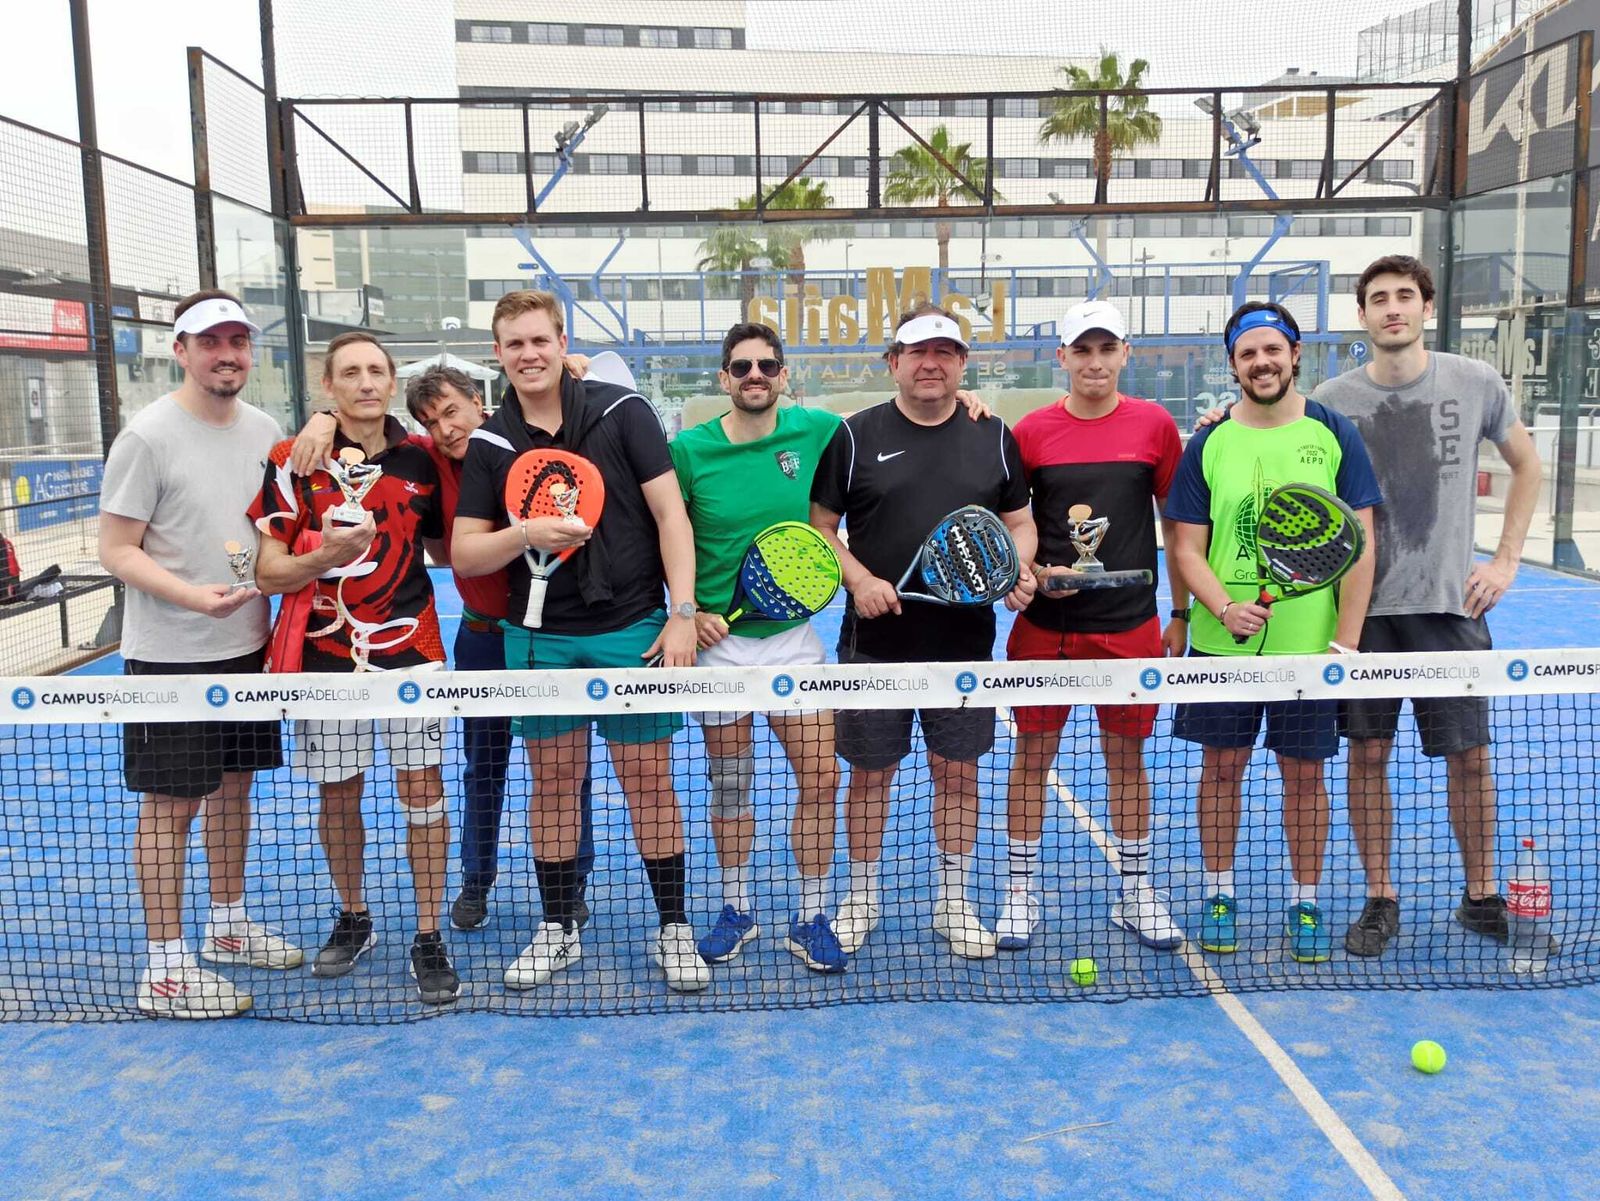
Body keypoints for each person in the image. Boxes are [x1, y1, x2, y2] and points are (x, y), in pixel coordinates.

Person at [453, 290, 706, 992]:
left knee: (648, 782)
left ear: (563, 342)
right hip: (539, 639)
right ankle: (559, 925)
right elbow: (468, 553)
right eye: (514, 344)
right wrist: (525, 535)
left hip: (632, 628)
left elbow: (670, 516)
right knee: (554, 783)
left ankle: (673, 926)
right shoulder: (492, 442)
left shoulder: (624, 413)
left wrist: (681, 611)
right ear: (498, 354)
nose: (529, 355)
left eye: (540, 340)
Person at [290, 366, 598, 936]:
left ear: (477, 402)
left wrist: (569, 365)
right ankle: (476, 882)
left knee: (563, 769)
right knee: (484, 767)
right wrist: (324, 416)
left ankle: (570, 883)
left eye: (452, 411)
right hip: (480, 637)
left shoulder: (522, 448)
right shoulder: (425, 460)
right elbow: (370, 428)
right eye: (432, 420)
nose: (445, 428)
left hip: (547, 637)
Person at [1314, 256, 1543, 957]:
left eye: (1404, 297)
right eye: (1377, 298)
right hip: (1363, 616)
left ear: (1426, 307)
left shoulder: (1474, 382)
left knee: (1470, 759)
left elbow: (1527, 464)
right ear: (1363, 315)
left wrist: (1504, 561)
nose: (1392, 309)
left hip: (1451, 612)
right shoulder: (1330, 399)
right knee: (1367, 757)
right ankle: (1381, 896)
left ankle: (1479, 896)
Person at [810, 303, 1037, 960]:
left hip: (964, 647)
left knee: (958, 775)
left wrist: (1015, 563)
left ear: (962, 364)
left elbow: (1019, 522)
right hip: (873, 647)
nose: (931, 363)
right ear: (894, 362)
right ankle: (860, 896)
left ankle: (953, 898)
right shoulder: (853, 436)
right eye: (917, 352)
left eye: (945, 352)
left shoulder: (993, 435)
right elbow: (821, 526)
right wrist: (857, 579)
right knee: (869, 777)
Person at [99, 289, 302, 1018]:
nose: (227, 354)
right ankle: (164, 968)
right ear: (179, 350)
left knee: (235, 789)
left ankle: (226, 923)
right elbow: (116, 548)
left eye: (238, 342)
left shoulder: (266, 429)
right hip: (169, 659)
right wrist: (191, 596)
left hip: (248, 648)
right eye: (209, 342)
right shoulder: (147, 437)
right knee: (171, 806)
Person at [1166, 302, 1381, 963]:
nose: (1261, 362)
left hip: (1308, 651)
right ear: (1232, 365)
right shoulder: (1208, 441)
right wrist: (1224, 608)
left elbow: (1360, 543)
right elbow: (1184, 548)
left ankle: (1305, 900)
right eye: (1247, 353)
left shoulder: (1334, 432)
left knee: (1304, 777)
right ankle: (1219, 892)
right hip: (1219, 644)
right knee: (1220, 770)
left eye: (1272, 350)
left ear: (1294, 355)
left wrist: (1344, 643)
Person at [251, 331, 459, 1005]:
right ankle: (355, 914)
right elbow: (266, 569)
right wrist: (325, 556)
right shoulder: (291, 458)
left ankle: (429, 934)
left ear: (392, 382)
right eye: (351, 372)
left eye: (377, 370)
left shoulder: (422, 459)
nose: (366, 382)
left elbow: (448, 546)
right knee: (337, 793)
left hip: (412, 655)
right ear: (328, 387)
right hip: (324, 658)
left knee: (422, 790)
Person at [1002, 300, 1188, 952]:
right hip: (1045, 630)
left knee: (1127, 761)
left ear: (1124, 353)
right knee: (1031, 760)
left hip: (1130, 626)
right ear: (1063, 358)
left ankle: (1135, 891)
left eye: (1106, 348)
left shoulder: (1156, 426)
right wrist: (1022, 575)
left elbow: (1180, 526)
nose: (1095, 361)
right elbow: (1011, 524)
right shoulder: (1029, 434)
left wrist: (1182, 611)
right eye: (1082, 350)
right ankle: (1020, 893)